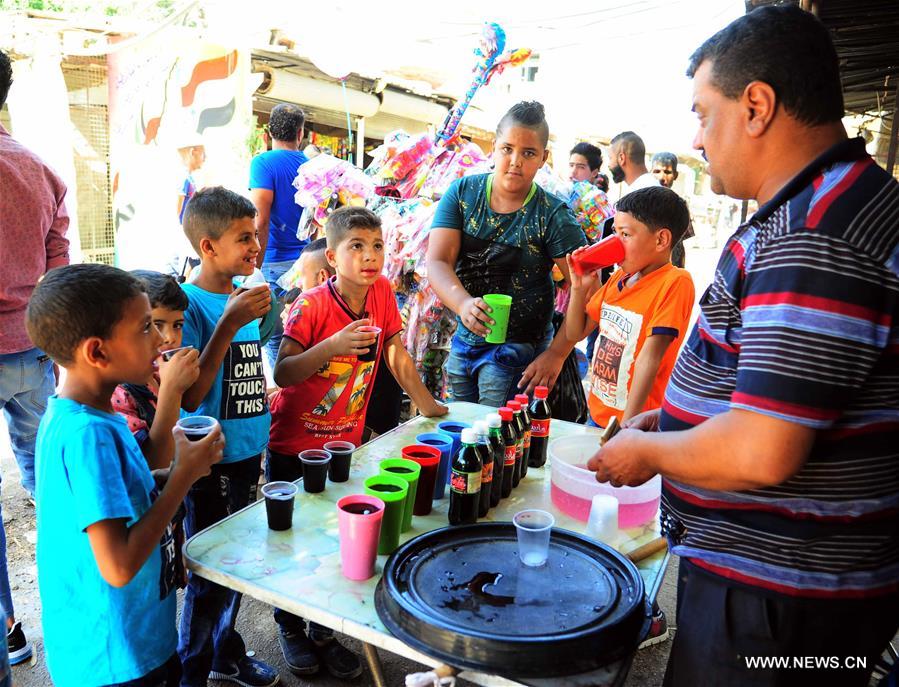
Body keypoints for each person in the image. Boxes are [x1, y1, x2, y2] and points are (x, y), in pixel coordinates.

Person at [589, 6, 899, 686]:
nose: (695, 138)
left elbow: (762, 446)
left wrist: (645, 451)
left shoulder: (811, 232)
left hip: (778, 603)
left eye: (702, 113)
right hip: (808, 594)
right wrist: (671, 420)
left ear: (755, 105)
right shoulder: (846, 201)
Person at [268, 207, 447, 677]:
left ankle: (324, 631)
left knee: (335, 539)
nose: (370, 256)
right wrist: (331, 346)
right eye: (357, 246)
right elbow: (284, 373)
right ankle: (289, 626)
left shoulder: (382, 293)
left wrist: (428, 405)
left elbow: (395, 351)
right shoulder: (310, 305)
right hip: (295, 448)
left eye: (377, 246)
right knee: (293, 542)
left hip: (344, 445)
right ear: (332, 255)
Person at [28, 264, 223, 687]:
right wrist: (180, 480)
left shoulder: (86, 412)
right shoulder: (87, 435)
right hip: (115, 657)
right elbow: (117, 566)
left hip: (133, 639)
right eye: (144, 329)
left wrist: (174, 469)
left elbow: (125, 483)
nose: (160, 339)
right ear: (97, 352)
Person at [177, 187, 279, 687]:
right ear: (207, 246)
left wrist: (254, 315)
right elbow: (192, 396)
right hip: (210, 460)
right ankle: (191, 670)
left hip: (247, 450)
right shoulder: (190, 306)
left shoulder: (250, 296)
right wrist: (229, 320)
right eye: (243, 238)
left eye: (256, 234)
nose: (255, 246)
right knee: (209, 569)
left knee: (237, 560)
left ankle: (224, 651)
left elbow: (251, 363)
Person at [427, 101, 588, 405]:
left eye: (528, 153)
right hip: (464, 342)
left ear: (544, 158)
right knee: (462, 431)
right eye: (507, 149)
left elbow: (591, 293)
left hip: (521, 353)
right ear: (494, 147)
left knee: (496, 442)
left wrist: (556, 354)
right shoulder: (463, 193)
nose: (515, 161)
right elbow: (437, 261)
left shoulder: (553, 215)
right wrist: (463, 305)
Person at [0, 47, 70, 665]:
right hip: (28, 346)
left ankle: (8, 631)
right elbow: (58, 268)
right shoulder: (39, 171)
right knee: (46, 480)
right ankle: (68, 605)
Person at [111, 271, 200, 469]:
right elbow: (152, 466)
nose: (168, 337)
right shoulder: (118, 393)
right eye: (155, 325)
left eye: (177, 325)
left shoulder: (158, 372)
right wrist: (172, 389)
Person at [249, 103, 310, 369]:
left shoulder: (263, 163)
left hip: (273, 265)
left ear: (268, 132)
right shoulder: (311, 166)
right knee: (302, 339)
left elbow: (260, 219)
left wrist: (255, 268)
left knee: (275, 342)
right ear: (300, 133)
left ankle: (283, 404)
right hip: (306, 266)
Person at [650, 152, 692, 268]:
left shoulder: (680, 205)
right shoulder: (641, 203)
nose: (662, 178)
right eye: (657, 171)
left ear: (676, 175)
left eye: (667, 172)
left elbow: (679, 245)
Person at [176, 142, 206, 226]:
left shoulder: (189, 177)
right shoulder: (183, 178)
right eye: (203, 154)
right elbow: (179, 204)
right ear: (193, 152)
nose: (204, 159)